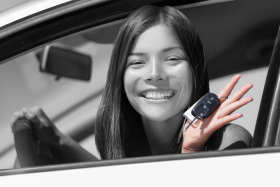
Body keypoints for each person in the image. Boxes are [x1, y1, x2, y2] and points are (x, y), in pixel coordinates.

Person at [12, 5, 253, 162]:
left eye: (172, 59)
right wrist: (58, 139)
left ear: (195, 70)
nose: (155, 74)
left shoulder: (230, 141)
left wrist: (190, 152)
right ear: (120, 77)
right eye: (137, 63)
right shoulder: (125, 141)